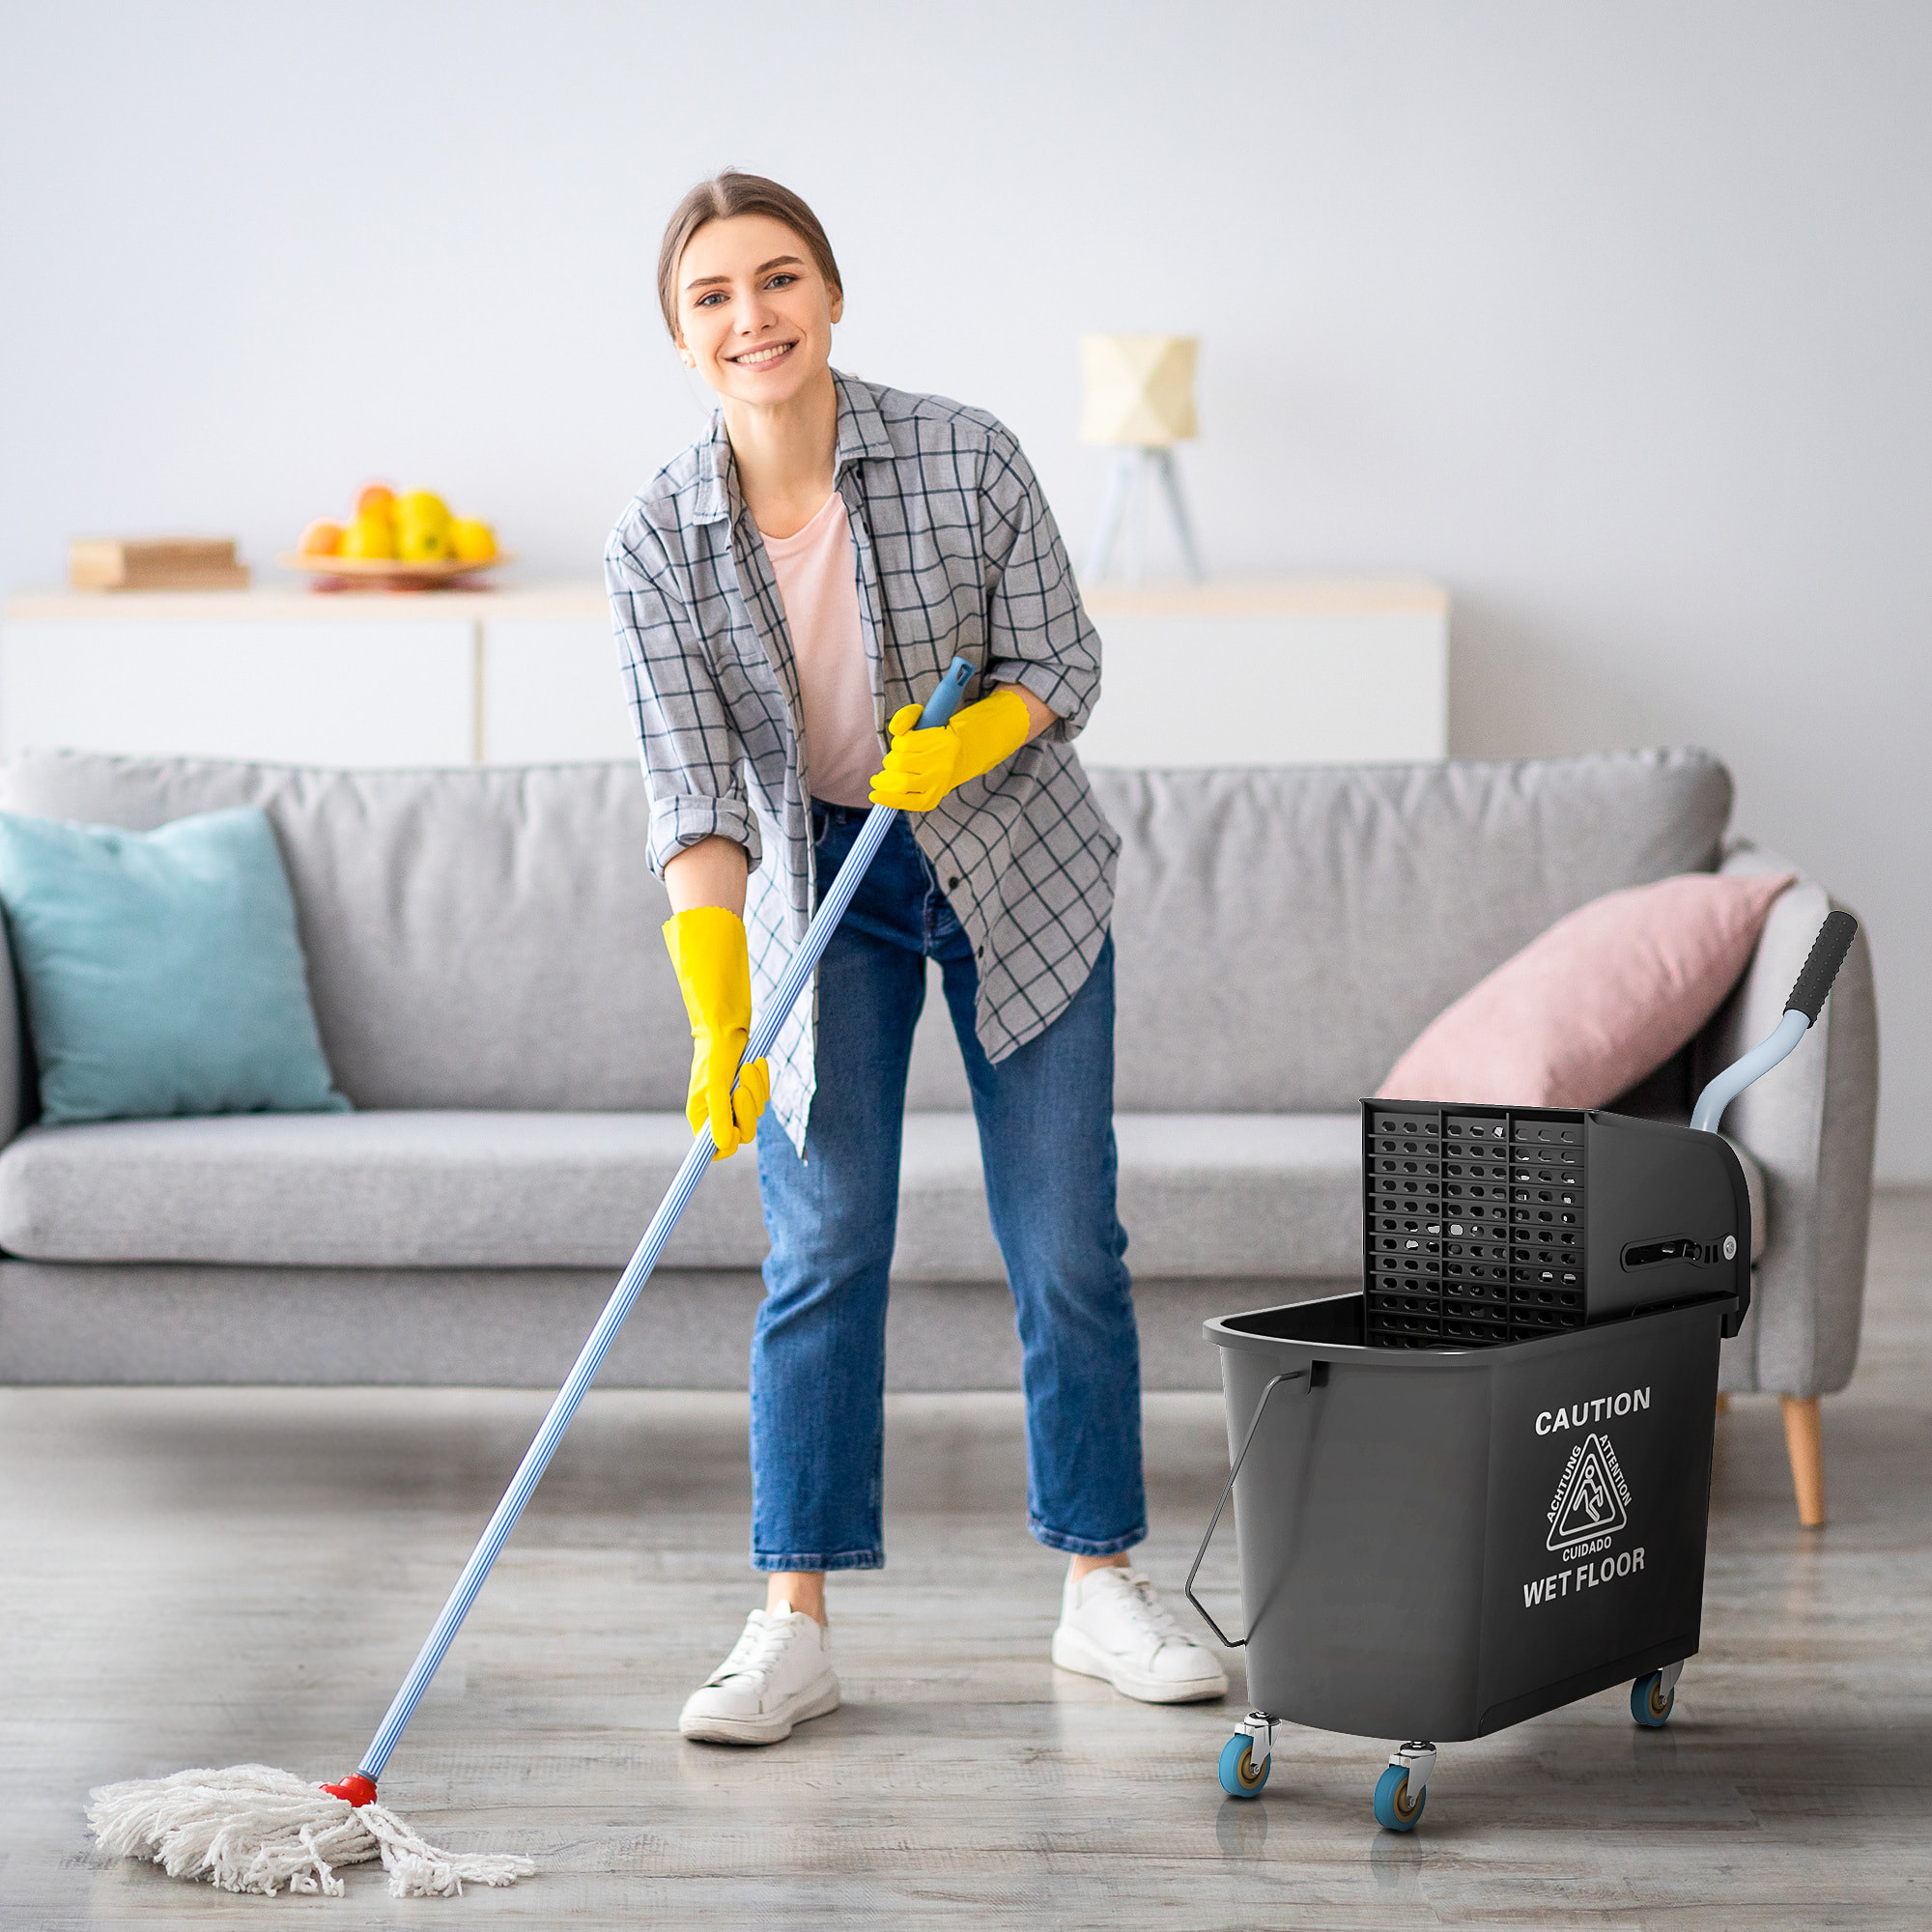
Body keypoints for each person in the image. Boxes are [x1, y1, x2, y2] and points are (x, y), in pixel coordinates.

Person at [606, 171, 1225, 1747]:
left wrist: (967, 749)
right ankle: (791, 1620)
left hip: (1012, 860)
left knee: (1065, 1242)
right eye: (715, 297)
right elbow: (694, 795)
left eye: (780, 278)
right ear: (679, 339)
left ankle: (1101, 1587)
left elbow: (1062, 664)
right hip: (823, 891)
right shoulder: (660, 541)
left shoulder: (965, 452)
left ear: (830, 295)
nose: (754, 316)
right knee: (822, 1253)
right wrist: (717, 1012)